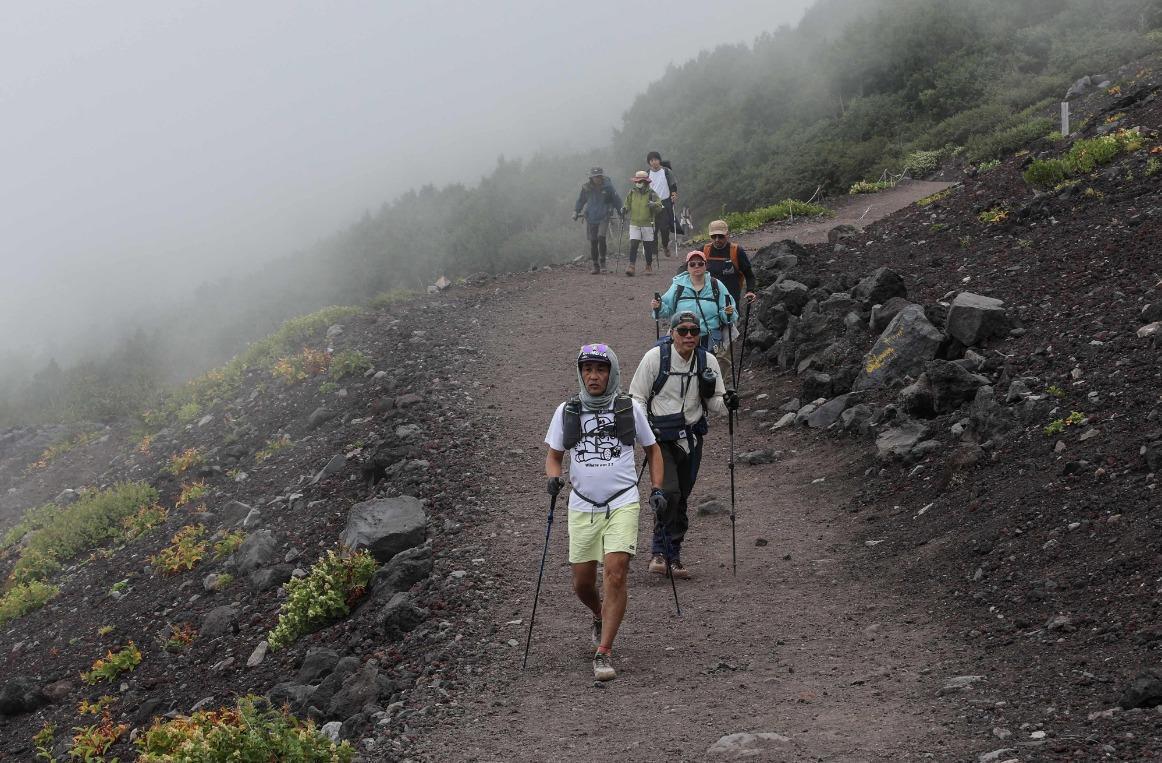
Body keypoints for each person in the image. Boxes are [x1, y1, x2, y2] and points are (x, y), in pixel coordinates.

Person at [545, 343, 665, 681]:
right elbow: (554, 456)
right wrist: (553, 479)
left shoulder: (628, 408)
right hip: (582, 503)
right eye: (587, 369)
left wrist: (657, 489)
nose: (593, 376)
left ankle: (604, 651)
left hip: (623, 501)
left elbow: (653, 450)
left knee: (615, 571)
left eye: (600, 369)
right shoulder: (566, 411)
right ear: (580, 373)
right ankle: (598, 613)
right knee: (582, 582)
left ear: (611, 372)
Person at [629, 312, 739, 579]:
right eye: (683, 330)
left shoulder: (707, 361)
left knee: (682, 497)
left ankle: (673, 556)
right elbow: (637, 397)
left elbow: (713, 400)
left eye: (694, 331)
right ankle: (659, 553)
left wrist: (728, 403)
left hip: (691, 437)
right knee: (668, 493)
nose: (689, 335)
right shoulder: (655, 358)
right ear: (672, 332)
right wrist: (646, 433)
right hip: (659, 439)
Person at [652, 251, 736, 378]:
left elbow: (729, 313)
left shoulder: (716, 285)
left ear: (705, 266)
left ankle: (712, 393)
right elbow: (666, 310)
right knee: (685, 369)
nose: (696, 266)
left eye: (700, 263)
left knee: (709, 370)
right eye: (692, 264)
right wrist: (658, 307)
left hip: (710, 336)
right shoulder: (678, 286)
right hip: (683, 334)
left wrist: (727, 312)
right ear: (687, 267)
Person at [699, 219, 757, 383]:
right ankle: (704, 383)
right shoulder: (704, 251)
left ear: (727, 235)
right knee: (707, 349)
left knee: (724, 353)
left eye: (721, 236)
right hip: (705, 310)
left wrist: (751, 291)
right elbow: (687, 269)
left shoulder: (736, 251)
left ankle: (719, 385)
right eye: (714, 236)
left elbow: (749, 274)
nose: (717, 240)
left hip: (729, 309)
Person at [574, 167, 623, 275]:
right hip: (591, 217)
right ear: (591, 178)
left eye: (599, 176)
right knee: (593, 241)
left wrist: (621, 212)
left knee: (601, 237)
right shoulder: (586, 188)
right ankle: (595, 265)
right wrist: (576, 211)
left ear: (602, 176)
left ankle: (603, 263)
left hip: (604, 216)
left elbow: (616, 200)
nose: (597, 179)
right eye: (595, 177)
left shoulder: (608, 187)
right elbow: (581, 200)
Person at [621, 170, 663, 276]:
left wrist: (654, 205)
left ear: (646, 182)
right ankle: (631, 266)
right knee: (634, 244)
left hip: (648, 223)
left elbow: (659, 207)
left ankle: (648, 266)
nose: (638, 183)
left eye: (640, 181)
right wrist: (624, 209)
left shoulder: (652, 193)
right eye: (637, 181)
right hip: (634, 222)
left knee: (647, 245)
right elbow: (627, 205)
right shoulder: (632, 192)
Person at [647, 151, 679, 258]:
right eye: (652, 160)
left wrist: (674, 194)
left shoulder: (666, 171)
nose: (654, 162)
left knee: (664, 228)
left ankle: (665, 245)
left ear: (659, 160)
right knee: (653, 229)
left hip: (665, 202)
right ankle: (654, 251)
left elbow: (673, 185)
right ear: (649, 162)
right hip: (652, 204)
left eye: (656, 159)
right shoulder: (647, 174)